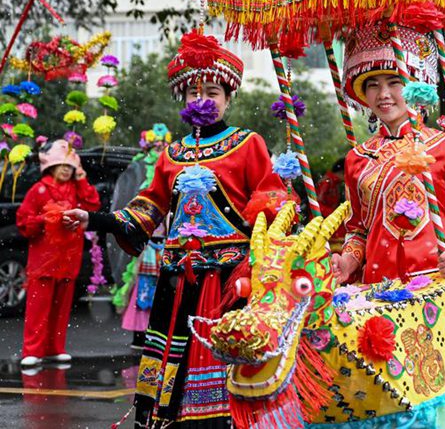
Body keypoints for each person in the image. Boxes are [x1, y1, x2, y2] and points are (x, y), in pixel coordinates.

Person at [62, 30, 283, 427]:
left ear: (229, 97)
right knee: (172, 367)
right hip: (178, 280)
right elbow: (148, 208)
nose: (203, 100)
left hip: (229, 279)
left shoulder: (247, 143)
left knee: (227, 357)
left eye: (213, 92)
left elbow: (271, 198)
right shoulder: (172, 154)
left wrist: (270, 233)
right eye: (194, 93)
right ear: (183, 99)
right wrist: (96, 219)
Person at [332, 22, 445, 284]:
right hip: (378, 287)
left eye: (395, 82)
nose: (384, 94)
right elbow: (357, 231)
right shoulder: (357, 158)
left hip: (437, 286)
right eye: (373, 85)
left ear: (415, 87)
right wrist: (347, 261)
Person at [16, 140, 101, 367]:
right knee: (38, 308)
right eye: (62, 165)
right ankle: (32, 350)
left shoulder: (75, 188)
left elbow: (93, 204)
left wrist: (81, 177)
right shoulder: (38, 189)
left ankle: (55, 348)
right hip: (43, 260)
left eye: (69, 166)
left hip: (68, 258)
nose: (66, 170)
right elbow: (24, 222)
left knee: (61, 308)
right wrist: (45, 220)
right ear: (51, 167)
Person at [113, 125, 172, 349]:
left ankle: (158, 333)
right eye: (156, 147)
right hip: (147, 243)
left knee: (163, 288)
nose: (160, 150)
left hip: (165, 244)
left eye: (164, 146)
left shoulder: (172, 174)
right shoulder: (139, 173)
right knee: (143, 288)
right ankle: (139, 333)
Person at [317, 157, 347, 250]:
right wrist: (335, 215)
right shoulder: (327, 181)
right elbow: (318, 203)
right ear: (342, 172)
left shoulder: (335, 182)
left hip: (329, 216)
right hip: (322, 218)